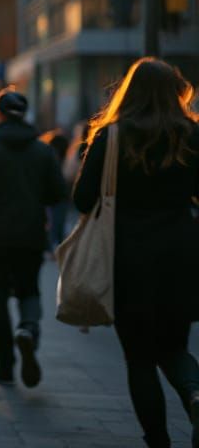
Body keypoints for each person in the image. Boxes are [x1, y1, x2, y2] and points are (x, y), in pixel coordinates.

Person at [72, 58, 199, 448]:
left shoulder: (111, 136)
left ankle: (158, 440)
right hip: (181, 253)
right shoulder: (192, 135)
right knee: (174, 346)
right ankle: (195, 396)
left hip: (126, 257)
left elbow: (81, 198)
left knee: (140, 357)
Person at [0, 88, 65, 388]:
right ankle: (28, 330)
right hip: (31, 233)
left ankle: (5, 364)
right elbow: (58, 193)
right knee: (29, 290)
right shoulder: (43, 151)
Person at [41, 130, 72, 251]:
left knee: (52, 223)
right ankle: (57, 245)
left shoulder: (47, 154)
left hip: (51, 197)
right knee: (58, 223)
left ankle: (52, 246)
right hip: (60, 197)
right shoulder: (61, 158)